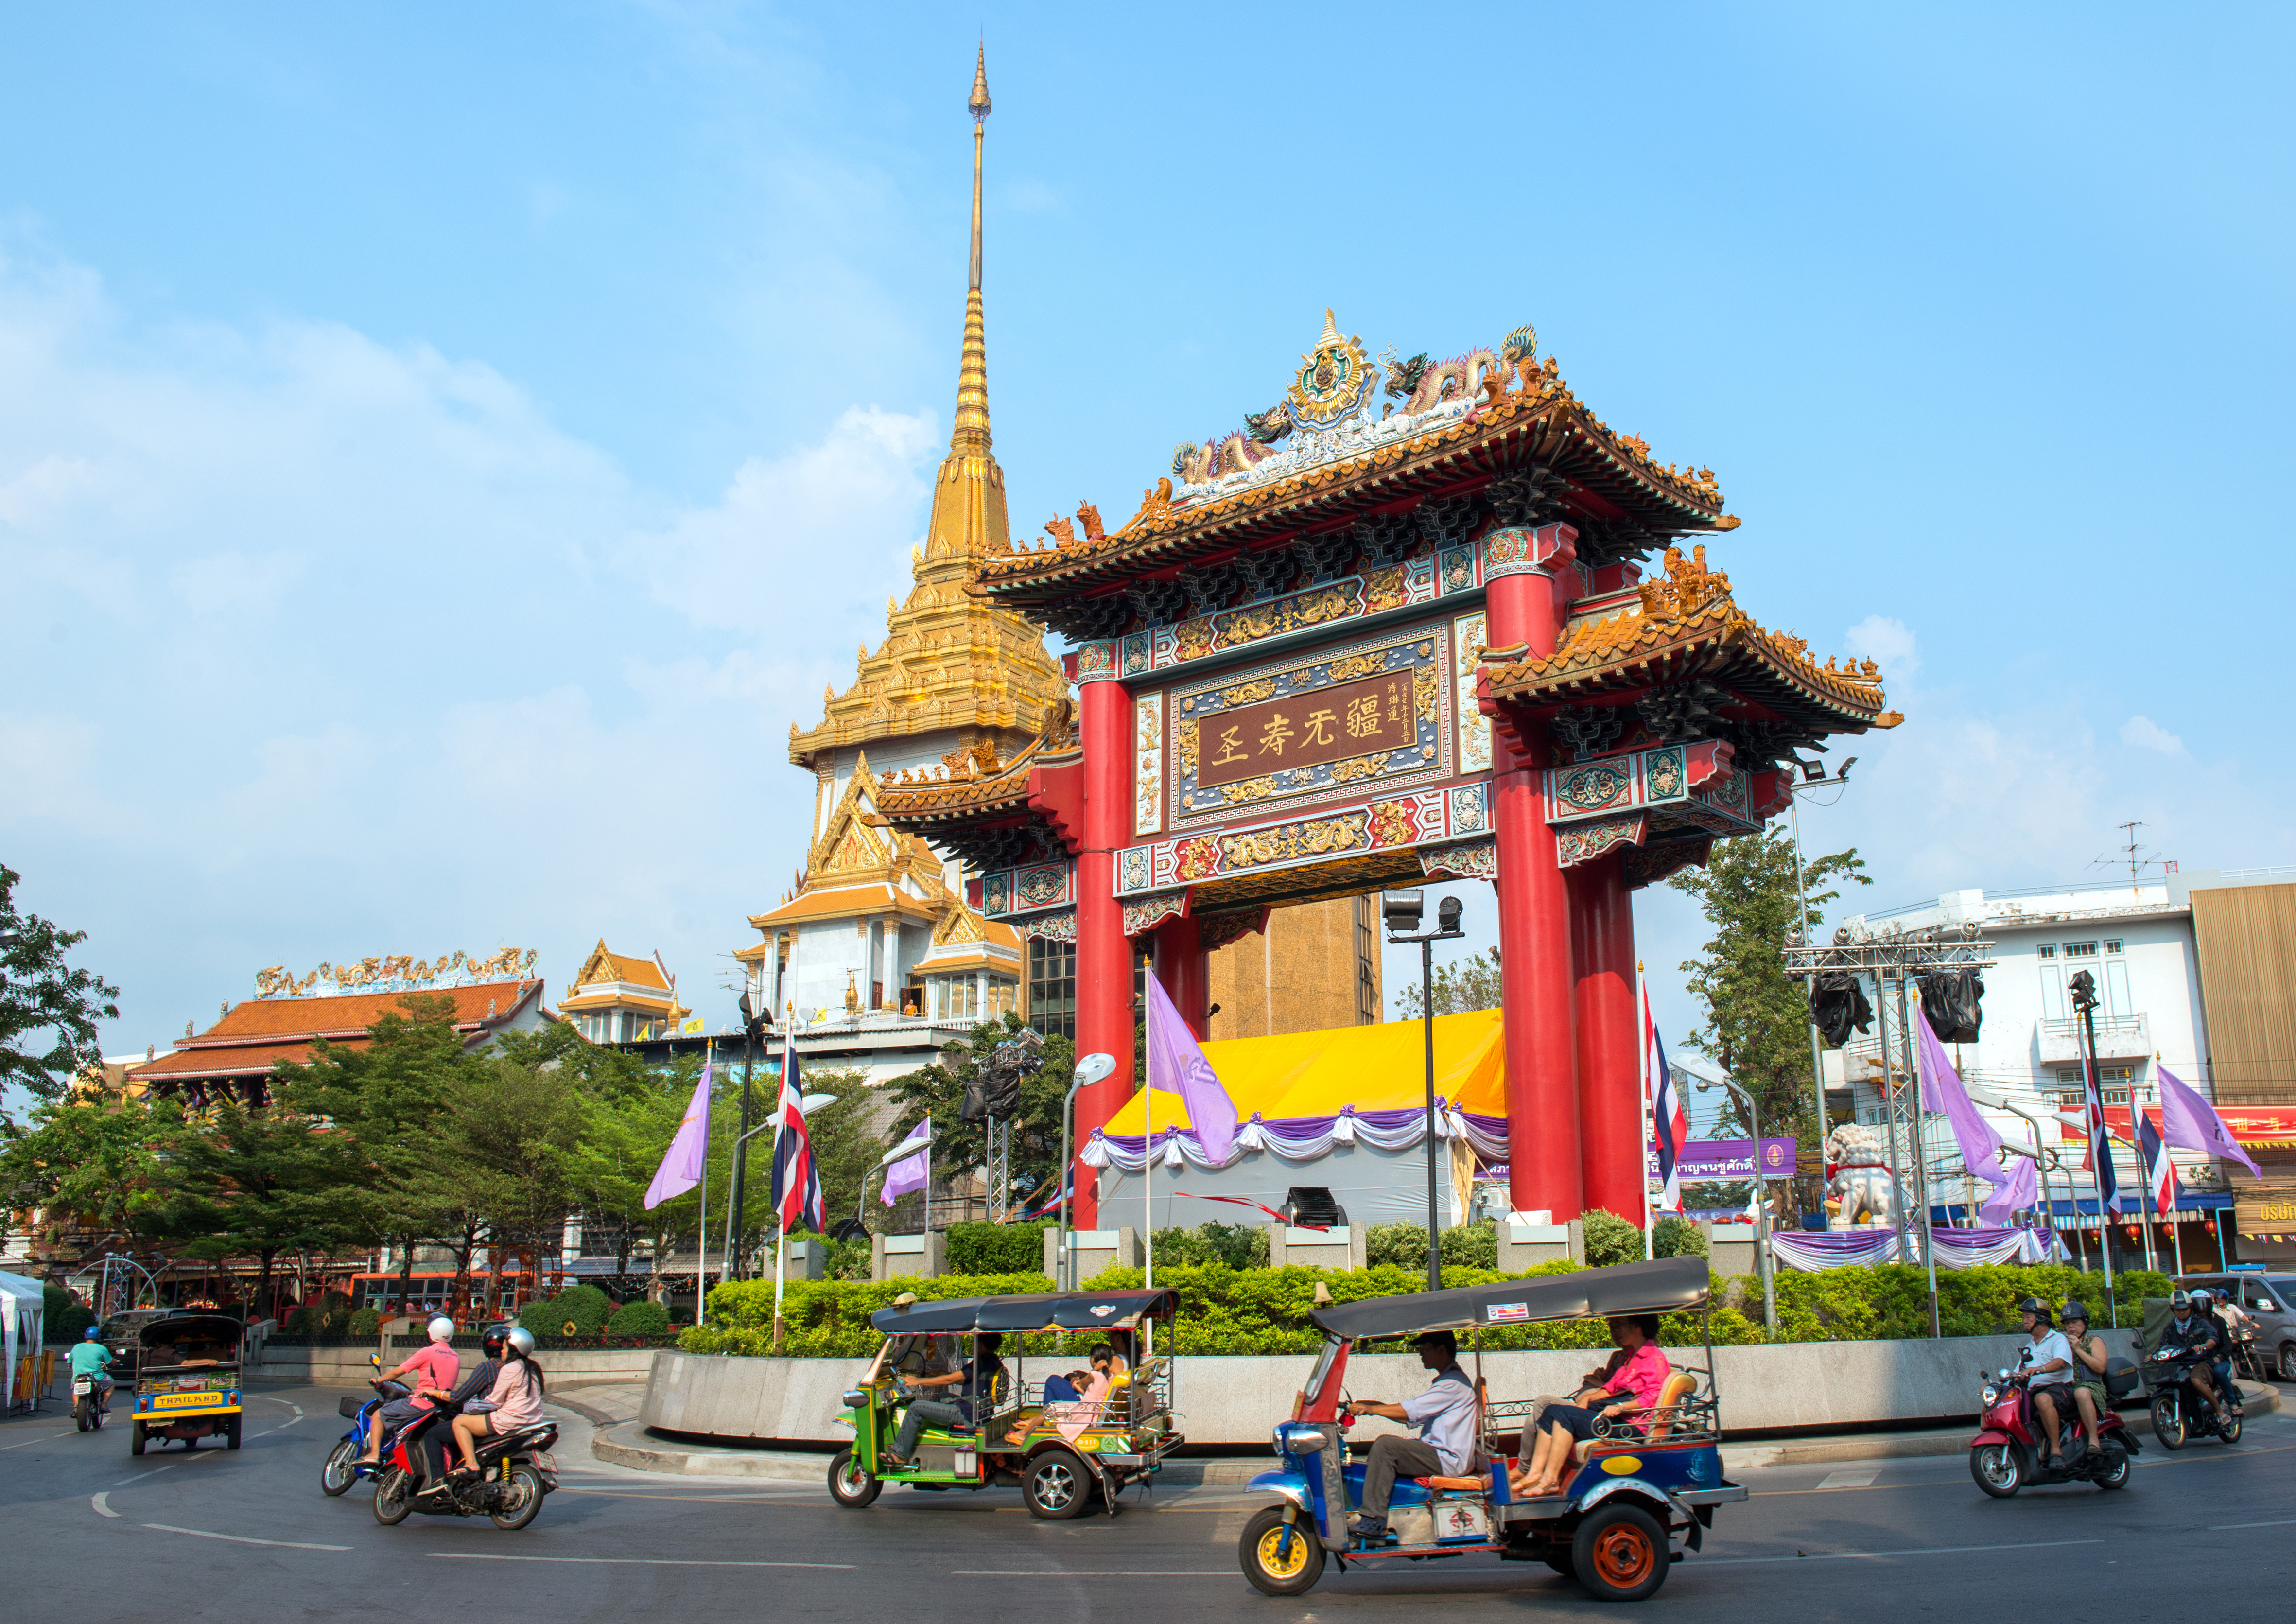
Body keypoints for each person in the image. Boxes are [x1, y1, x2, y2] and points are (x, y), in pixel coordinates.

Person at [1341, 1331, 1478, 1545]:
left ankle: (1374, 1520)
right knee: (1388, 1447)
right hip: (1439, 1453)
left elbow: (1411, 1410)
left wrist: (1373, 1409)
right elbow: (1412, 1414)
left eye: (1425, 1350)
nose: (1421, 1355)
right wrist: (1371, 1406)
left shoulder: (1452, 1384)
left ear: (1441, 1350)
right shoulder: (1447, 1382)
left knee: (1386, 1446)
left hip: (1446, 1459)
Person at [1512, 1316, 1671, 1497]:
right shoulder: (1630, 1356)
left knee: (1564, 1415)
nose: (1615, 1331)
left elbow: (1652, 1397)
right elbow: (1610, 1389)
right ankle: (1534, 1474)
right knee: (1550, 1411)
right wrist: (1588, 1399)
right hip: (1612, 1418)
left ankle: (1551, 1480)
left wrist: (1622, 1406)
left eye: (1619, 1325)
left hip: (1631, 1426)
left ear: (1636, 1326)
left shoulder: (1654, 1357)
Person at [886, 1333, 1007, 1466]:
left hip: (965, 1414)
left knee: (916, 1407)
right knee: (943, 1397)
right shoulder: (994, 1362)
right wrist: (940, 1373)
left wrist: (918, 1381)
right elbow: (964, 1379)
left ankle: (900, 1455)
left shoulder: (979, 1363)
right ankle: (928, 1435)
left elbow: (950, 1380)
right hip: (978, 1412)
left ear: (980, 1345)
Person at [360, 1316, 460, 1468]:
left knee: (378, 1415)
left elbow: (399, 1371)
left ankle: (374, 1455)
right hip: (440, 1408)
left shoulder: (427, 1352)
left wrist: (380, 1380)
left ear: (431, 1333)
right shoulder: (456, 1356)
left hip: (420, 1404)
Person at [450, 1326, 545, 1480]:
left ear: (513, 1348)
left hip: (509, 1421)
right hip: (532, 1422)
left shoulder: (510, 1368)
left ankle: (471, 1464)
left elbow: (494, 1402)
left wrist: (470, 1407)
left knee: (459, 1422)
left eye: (505, 1347)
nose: (502, 1350)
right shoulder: (534, 1369)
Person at [2015, 1296, 2077, 1466]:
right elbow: (2016, 1372)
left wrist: (2039, 1369)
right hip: (2032, 1392)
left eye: (2028, 1317)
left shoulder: (2057, 1339)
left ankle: (2056, 1450)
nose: (2024, 1321)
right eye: (2023, 1318)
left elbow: (2061, 1362)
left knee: (2042, 1399)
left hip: (2061, 1390)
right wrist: (1998, 1384)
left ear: (2041, 1318)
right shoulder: (2029, 1346)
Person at [2156, 1289, 2226, 1426]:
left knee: (2196, 1380)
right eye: (2178, 1309)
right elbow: (2163, 1346)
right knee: (2162, 1383)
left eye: (2185, 1309)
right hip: (2180, 1365)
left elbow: (2213, 1337)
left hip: (2201, 1362)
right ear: (2172, 1310)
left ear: (2191, 1308)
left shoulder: (2200, 1323)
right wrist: (2154, 1355)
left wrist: (2204, 1345)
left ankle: (2220, 1412)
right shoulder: (2170, 1328)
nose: (2182, 1312)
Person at [2060, 1301, 2110, 1458]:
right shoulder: (2062, 1343)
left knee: (2081, 1393)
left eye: (2075, 1322)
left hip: (2090, 1385)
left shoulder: (2094, 1341)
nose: (2071, 1327)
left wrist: (2078, 1350)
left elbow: (2100, 1367)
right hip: (2067, 1386)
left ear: (2085, 1322)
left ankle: (2094, 1441)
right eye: (2067, 1323)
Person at [69, 1327, 115, 1412]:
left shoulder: (76, 1347)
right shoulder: (101, 1348)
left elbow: (69, 1362)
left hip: (78, 1377)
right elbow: (110, 1361)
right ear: (98, 1336)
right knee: (111, 1384)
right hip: (96, 1378)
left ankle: (76, 1409)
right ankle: (104, 1405)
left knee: (75, 1389)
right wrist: (116, 1361)